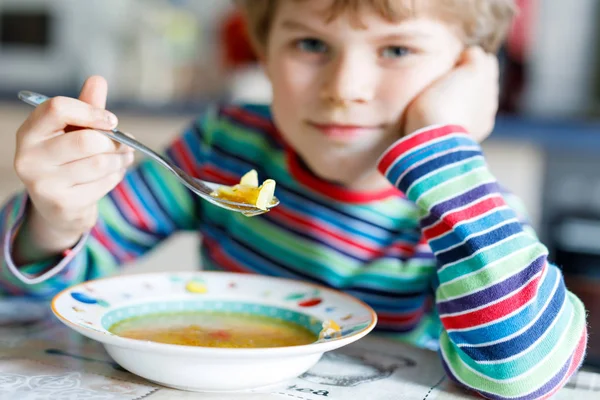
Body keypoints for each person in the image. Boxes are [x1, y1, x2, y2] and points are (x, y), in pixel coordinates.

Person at [0, 0, 587, 398]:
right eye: (310, 43)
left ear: (469, 71)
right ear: (264, 49)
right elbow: (27, 300)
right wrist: (55, 219)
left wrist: (446, 152)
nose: (344, 90)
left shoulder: (466, 206)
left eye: (397, 51)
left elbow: (522, 374)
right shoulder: (223, 147)